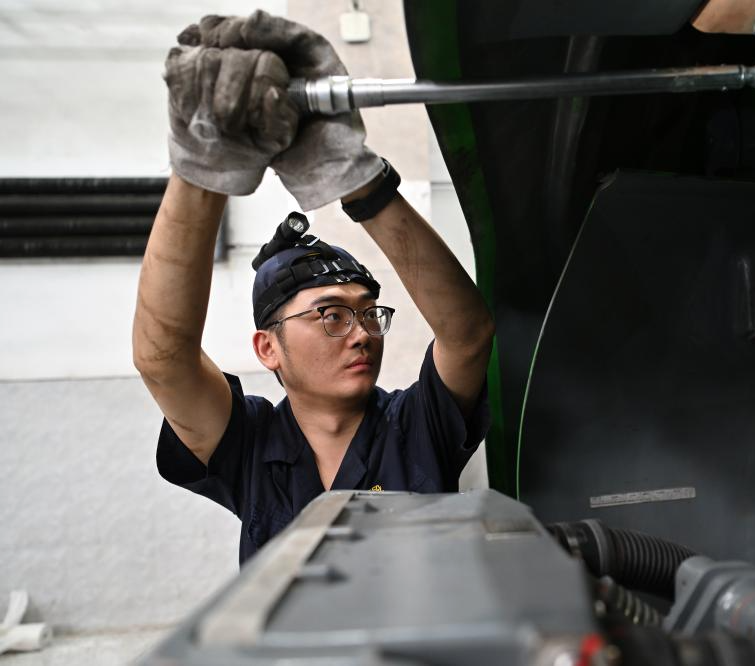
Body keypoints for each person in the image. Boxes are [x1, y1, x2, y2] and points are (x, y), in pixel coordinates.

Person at [132, 11, 494, 564]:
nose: (363, 334)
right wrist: (202, 167)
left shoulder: (414, 425)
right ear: (267, 347)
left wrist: (356, 179)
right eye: (332, 316)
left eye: (369, 313)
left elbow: (468, 335)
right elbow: (164, 361)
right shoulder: (249, 442)